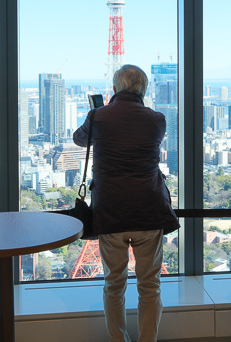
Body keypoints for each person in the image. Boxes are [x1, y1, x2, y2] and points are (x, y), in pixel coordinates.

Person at [73, 64, 180, 342]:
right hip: (149, 209)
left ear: (114, 89)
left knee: (113, 284)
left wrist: (101, 111)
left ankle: (118, 339)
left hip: (111, 211)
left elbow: (79, 139)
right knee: (150, 285)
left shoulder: (99, 116)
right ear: (144, 90)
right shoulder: (157, 119)